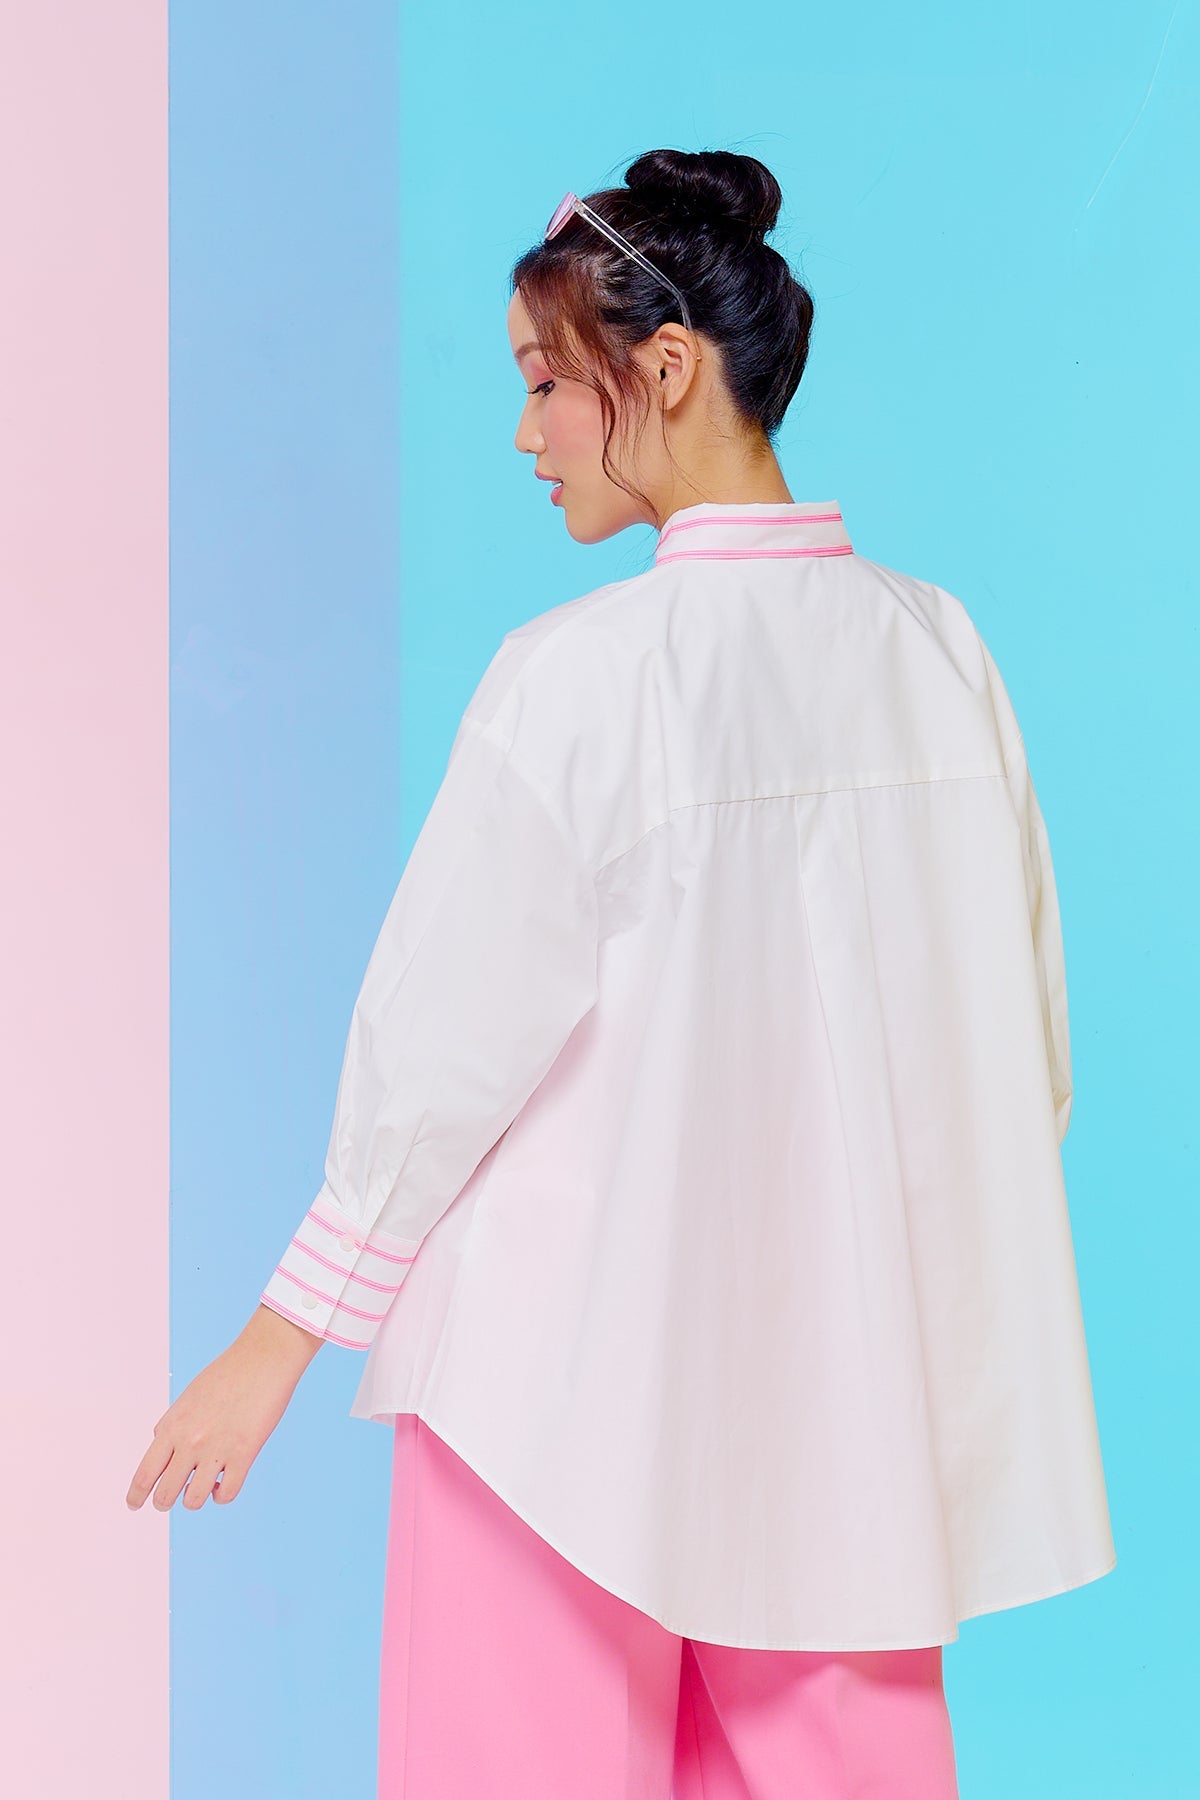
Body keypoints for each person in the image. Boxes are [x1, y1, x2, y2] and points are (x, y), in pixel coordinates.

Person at [126, 147, 1117, 1798]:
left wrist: (276, 1343)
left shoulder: (579, 680)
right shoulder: (942, 654)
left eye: (543, 383)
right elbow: (1023, 1058)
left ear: (661, 369)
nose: (525, 435)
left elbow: (438, 1061)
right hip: (845, 1421)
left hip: (552, 1406)